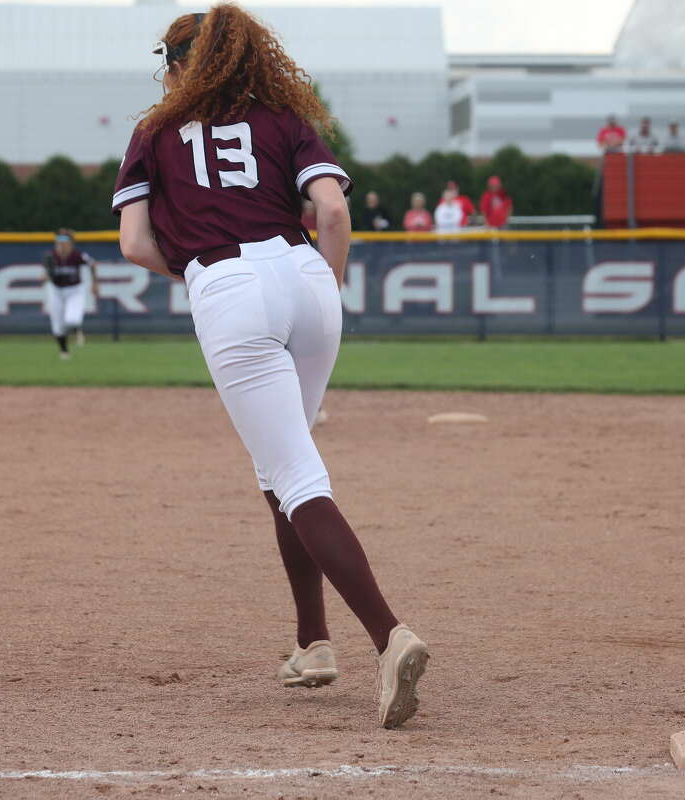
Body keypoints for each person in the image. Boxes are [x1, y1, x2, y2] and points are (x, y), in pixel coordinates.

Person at [112, 5, 429, 729]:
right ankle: (312, 643)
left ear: (179, 65)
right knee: (281, 468)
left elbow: (133, 243)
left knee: (295, 475)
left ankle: (390, 637)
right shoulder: (282, 118)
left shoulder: (155, 131)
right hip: (306, 275)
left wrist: (200, 271)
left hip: (228, 283)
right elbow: (332, 213)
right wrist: (326, 291)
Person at [42, 228, 97, 359]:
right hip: (56, 290)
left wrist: (95, 283)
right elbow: (46, 274)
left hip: (74, 290)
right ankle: (64, 351)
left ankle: (76, 330)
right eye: (59, 242)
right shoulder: (51, 256)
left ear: (71, 244)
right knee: (57, 326)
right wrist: (45, 277)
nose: (61, 245)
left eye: (65, 242)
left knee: (73, 319)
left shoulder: (77, 255)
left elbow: (92, 264)